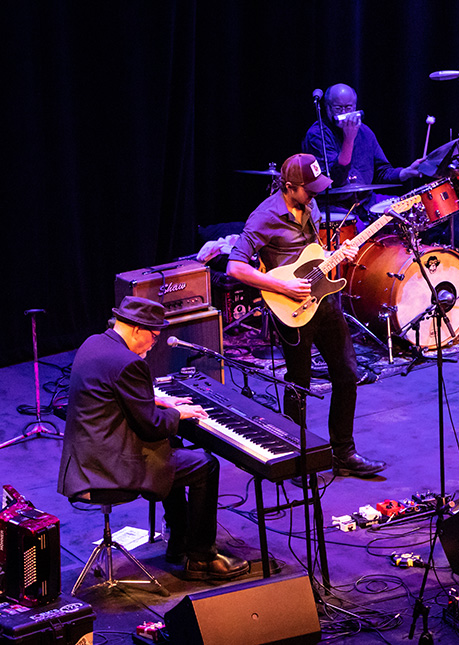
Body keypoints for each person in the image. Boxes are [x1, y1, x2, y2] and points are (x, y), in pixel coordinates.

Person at [58, 296, 250, 581]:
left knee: (171, 449)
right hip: (108, 469)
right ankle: (201, 557)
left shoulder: (94, 344)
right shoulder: (127, 363)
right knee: (205, 465)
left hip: (85, 459)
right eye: (154, 336)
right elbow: (151, 427)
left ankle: (178, 541)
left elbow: (117, 396)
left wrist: (160, 401)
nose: (154, 344)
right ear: (137, 329)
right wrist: (179, 414)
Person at [227, 153, 386, 478]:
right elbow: (235, 266)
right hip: (291, 309)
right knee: (298, 383)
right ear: (289, 187)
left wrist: (337, 255)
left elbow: (311, 257)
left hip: (326, 303)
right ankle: (294, 458)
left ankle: (344, 452)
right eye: (308, 190)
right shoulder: (264, 216)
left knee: (346, 374)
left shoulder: (309, 206)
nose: (313, 196)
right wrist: (278, 285)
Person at [302, 83, 424, 214]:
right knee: (359, 227)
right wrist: (349, 140)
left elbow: (382, 172)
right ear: (327, 108)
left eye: (348, 107)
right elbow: (336, 181)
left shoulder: (365, 132)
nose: (344, 113)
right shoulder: (317, 135)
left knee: (411, 209)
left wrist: (406, 172)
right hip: (336, 207)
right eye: (338, 108)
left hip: (366, 202)